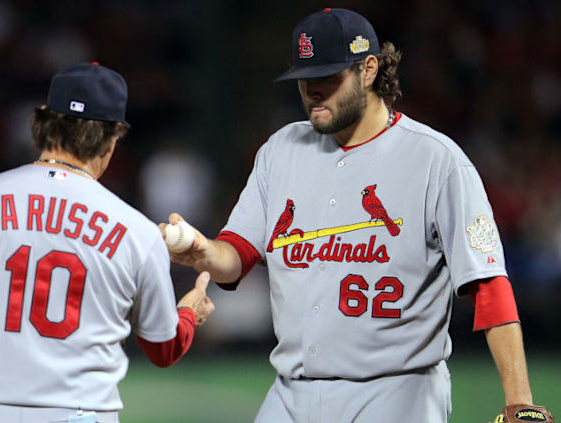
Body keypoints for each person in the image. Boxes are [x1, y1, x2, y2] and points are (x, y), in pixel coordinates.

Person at [162, 8, 552, 423]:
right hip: (293, 390)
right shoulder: (281, 150)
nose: (312, 90)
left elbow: (489, 285)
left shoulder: (436, 161)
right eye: (304, 79)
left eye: (328, 77)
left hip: (398, 390)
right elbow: (236, 256)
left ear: (368, 70)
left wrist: (518, 400)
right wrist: (203, 251)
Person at [0, 63, 215, 423]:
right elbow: (163, 349)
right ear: (112, 138)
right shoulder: (136, 232)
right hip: (79, 413)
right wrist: (189, 313)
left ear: (43, 123)